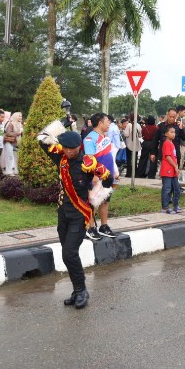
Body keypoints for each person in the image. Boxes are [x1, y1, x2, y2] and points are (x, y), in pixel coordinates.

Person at [37, 120, 111, 309]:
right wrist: (61, 124)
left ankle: (81, 291)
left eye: (72, 148)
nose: (69, 151)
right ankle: (76, 290)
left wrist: (98, 190)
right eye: (66, 148)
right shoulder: (60, 157)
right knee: (67, 254)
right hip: (63, 213)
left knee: (69, 253)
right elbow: (42, 139)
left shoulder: (88, 162)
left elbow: (108, 177)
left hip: (80, 214)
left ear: (79, 146)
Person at [83, 113, 117, 239]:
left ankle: (104, 226)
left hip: (108, 175)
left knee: (105, 200)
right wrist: (94, 176)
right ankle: (90, 227)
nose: (109, 123)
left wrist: (114, 171)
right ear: (100, 123)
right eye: (107, 121)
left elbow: (109, 155)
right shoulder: (90, 139)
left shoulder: (106, 137)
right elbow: (89, 159)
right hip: (97, 177)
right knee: (92, 202)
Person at [159, 124, 182, 214]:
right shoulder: (166, 143)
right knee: (167, 189)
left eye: (174, 132)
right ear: (166, 134)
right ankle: (165, 207)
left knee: (177, 189)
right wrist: (175, 166)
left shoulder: (172, 143)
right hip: (167, 170)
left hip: (173, 171)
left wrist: (176, 167)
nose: (173, 134)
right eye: (171, 132)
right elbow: (168, 157)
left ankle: (175, 205)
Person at [0, 112, 23, 176]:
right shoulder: (11, 124)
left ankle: (16, 171)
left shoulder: (20, 125)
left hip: (16, 143)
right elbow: (8, 133)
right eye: (19, 116)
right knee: (9, 157)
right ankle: (9, 171)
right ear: (15, 116)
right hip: (9, 142)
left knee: (16, 158)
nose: (20, 117)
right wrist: (18, 133)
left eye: (21, 116)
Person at [122, 113, 142, 178]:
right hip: (136, 145)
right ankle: (135, 173)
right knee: (135, 159)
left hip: (129, 144)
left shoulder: (129, 125)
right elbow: (140, 135)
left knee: (129, 160)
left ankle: (129, 173)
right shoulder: (138, 125)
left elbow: (126, 134)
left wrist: (123, 131)